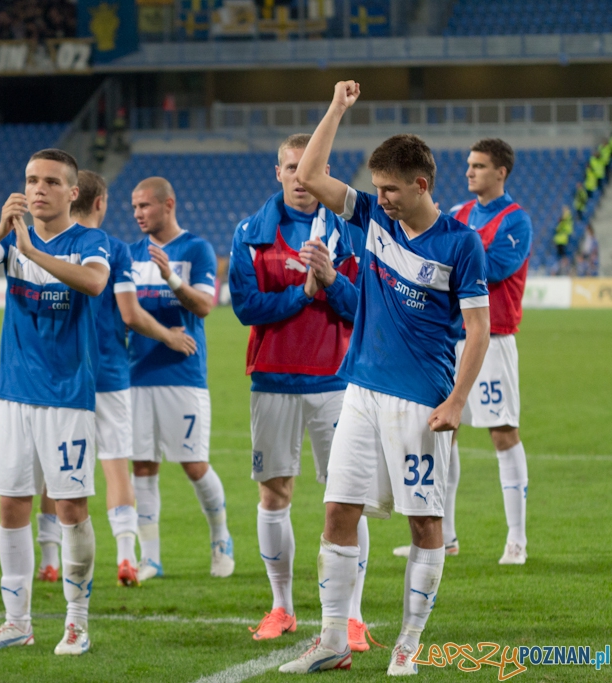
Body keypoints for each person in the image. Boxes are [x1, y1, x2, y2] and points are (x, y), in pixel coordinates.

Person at [277, 81, 490, 676]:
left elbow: (478, 331)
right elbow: (313, 174)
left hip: (421, 400)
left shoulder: (460, 244)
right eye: (377, 188)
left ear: (421, 184)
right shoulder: (372, 217)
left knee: (426, 523)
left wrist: (456, 400)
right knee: (337, 512)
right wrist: (338, 108)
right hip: (362, 392)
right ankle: (331, 640)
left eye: (390, 189)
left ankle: (409, 641)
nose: (381, 198)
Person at [0, 149, 109, 655]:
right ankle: (16, 621)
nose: (37, 189)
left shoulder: (90, 241)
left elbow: (93, 282)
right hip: (14, 393)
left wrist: (31, 251)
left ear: (72, 192)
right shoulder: (11, 242)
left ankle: (77, 624)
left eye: (49, 182)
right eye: (30, 180)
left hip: (67, 396)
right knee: (12, 504)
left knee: (70, 506)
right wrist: (2, 232)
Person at [229, 133, 373, 650]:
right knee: (275, 494)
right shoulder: (250, 233)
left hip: (336, 382)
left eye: (306, 169)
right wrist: (303, 292)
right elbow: (246, 308)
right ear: (278, 172)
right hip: (273, 381)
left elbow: (364, 309)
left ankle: (353, 617)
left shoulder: (350, 234)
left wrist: (331, 281)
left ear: (324, 171)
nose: (298, 178)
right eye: (290, 168)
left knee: (346, 501)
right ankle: (282, 607)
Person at [35, 170, 198, 588]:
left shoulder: (47, 247)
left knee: (57, 469)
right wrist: (166, 335)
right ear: (100, 202)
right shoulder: (115, 249)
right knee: (116, 466)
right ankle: (126, 555)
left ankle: (50, 559)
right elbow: (129, 314)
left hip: (60, 374)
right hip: (109, 372)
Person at [394, 138, 533, 566]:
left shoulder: (516, 221)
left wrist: (452, 259)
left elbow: (490, 269)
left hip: (493, 339)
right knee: (442, 432)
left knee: (503, 434)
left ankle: (517, 540)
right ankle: (446, 536)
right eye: (469, 165)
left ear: (500, 172)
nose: (470, 171)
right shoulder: (458, 214)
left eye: (479, 165)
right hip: (449, 341)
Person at [127, 176, 233, 582]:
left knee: (193, 464)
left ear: (167, 204)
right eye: (134, 207)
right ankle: (150, 557)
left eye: (145, 206)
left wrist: (171, 277)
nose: (138, 214)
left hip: (182, 375)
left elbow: (205, 305)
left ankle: (221, 539)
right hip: (136, 374)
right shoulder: (132, 254)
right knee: (143, 466)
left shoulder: (196, 249)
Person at [553, 206, 573, 274]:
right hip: (559, 241)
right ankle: (562, 267)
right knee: (561, 255)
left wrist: (565, 211)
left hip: (562, 240)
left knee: (563, 255)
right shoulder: (561, 223)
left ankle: (566, 267)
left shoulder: (565, 219)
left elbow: (566, 216)